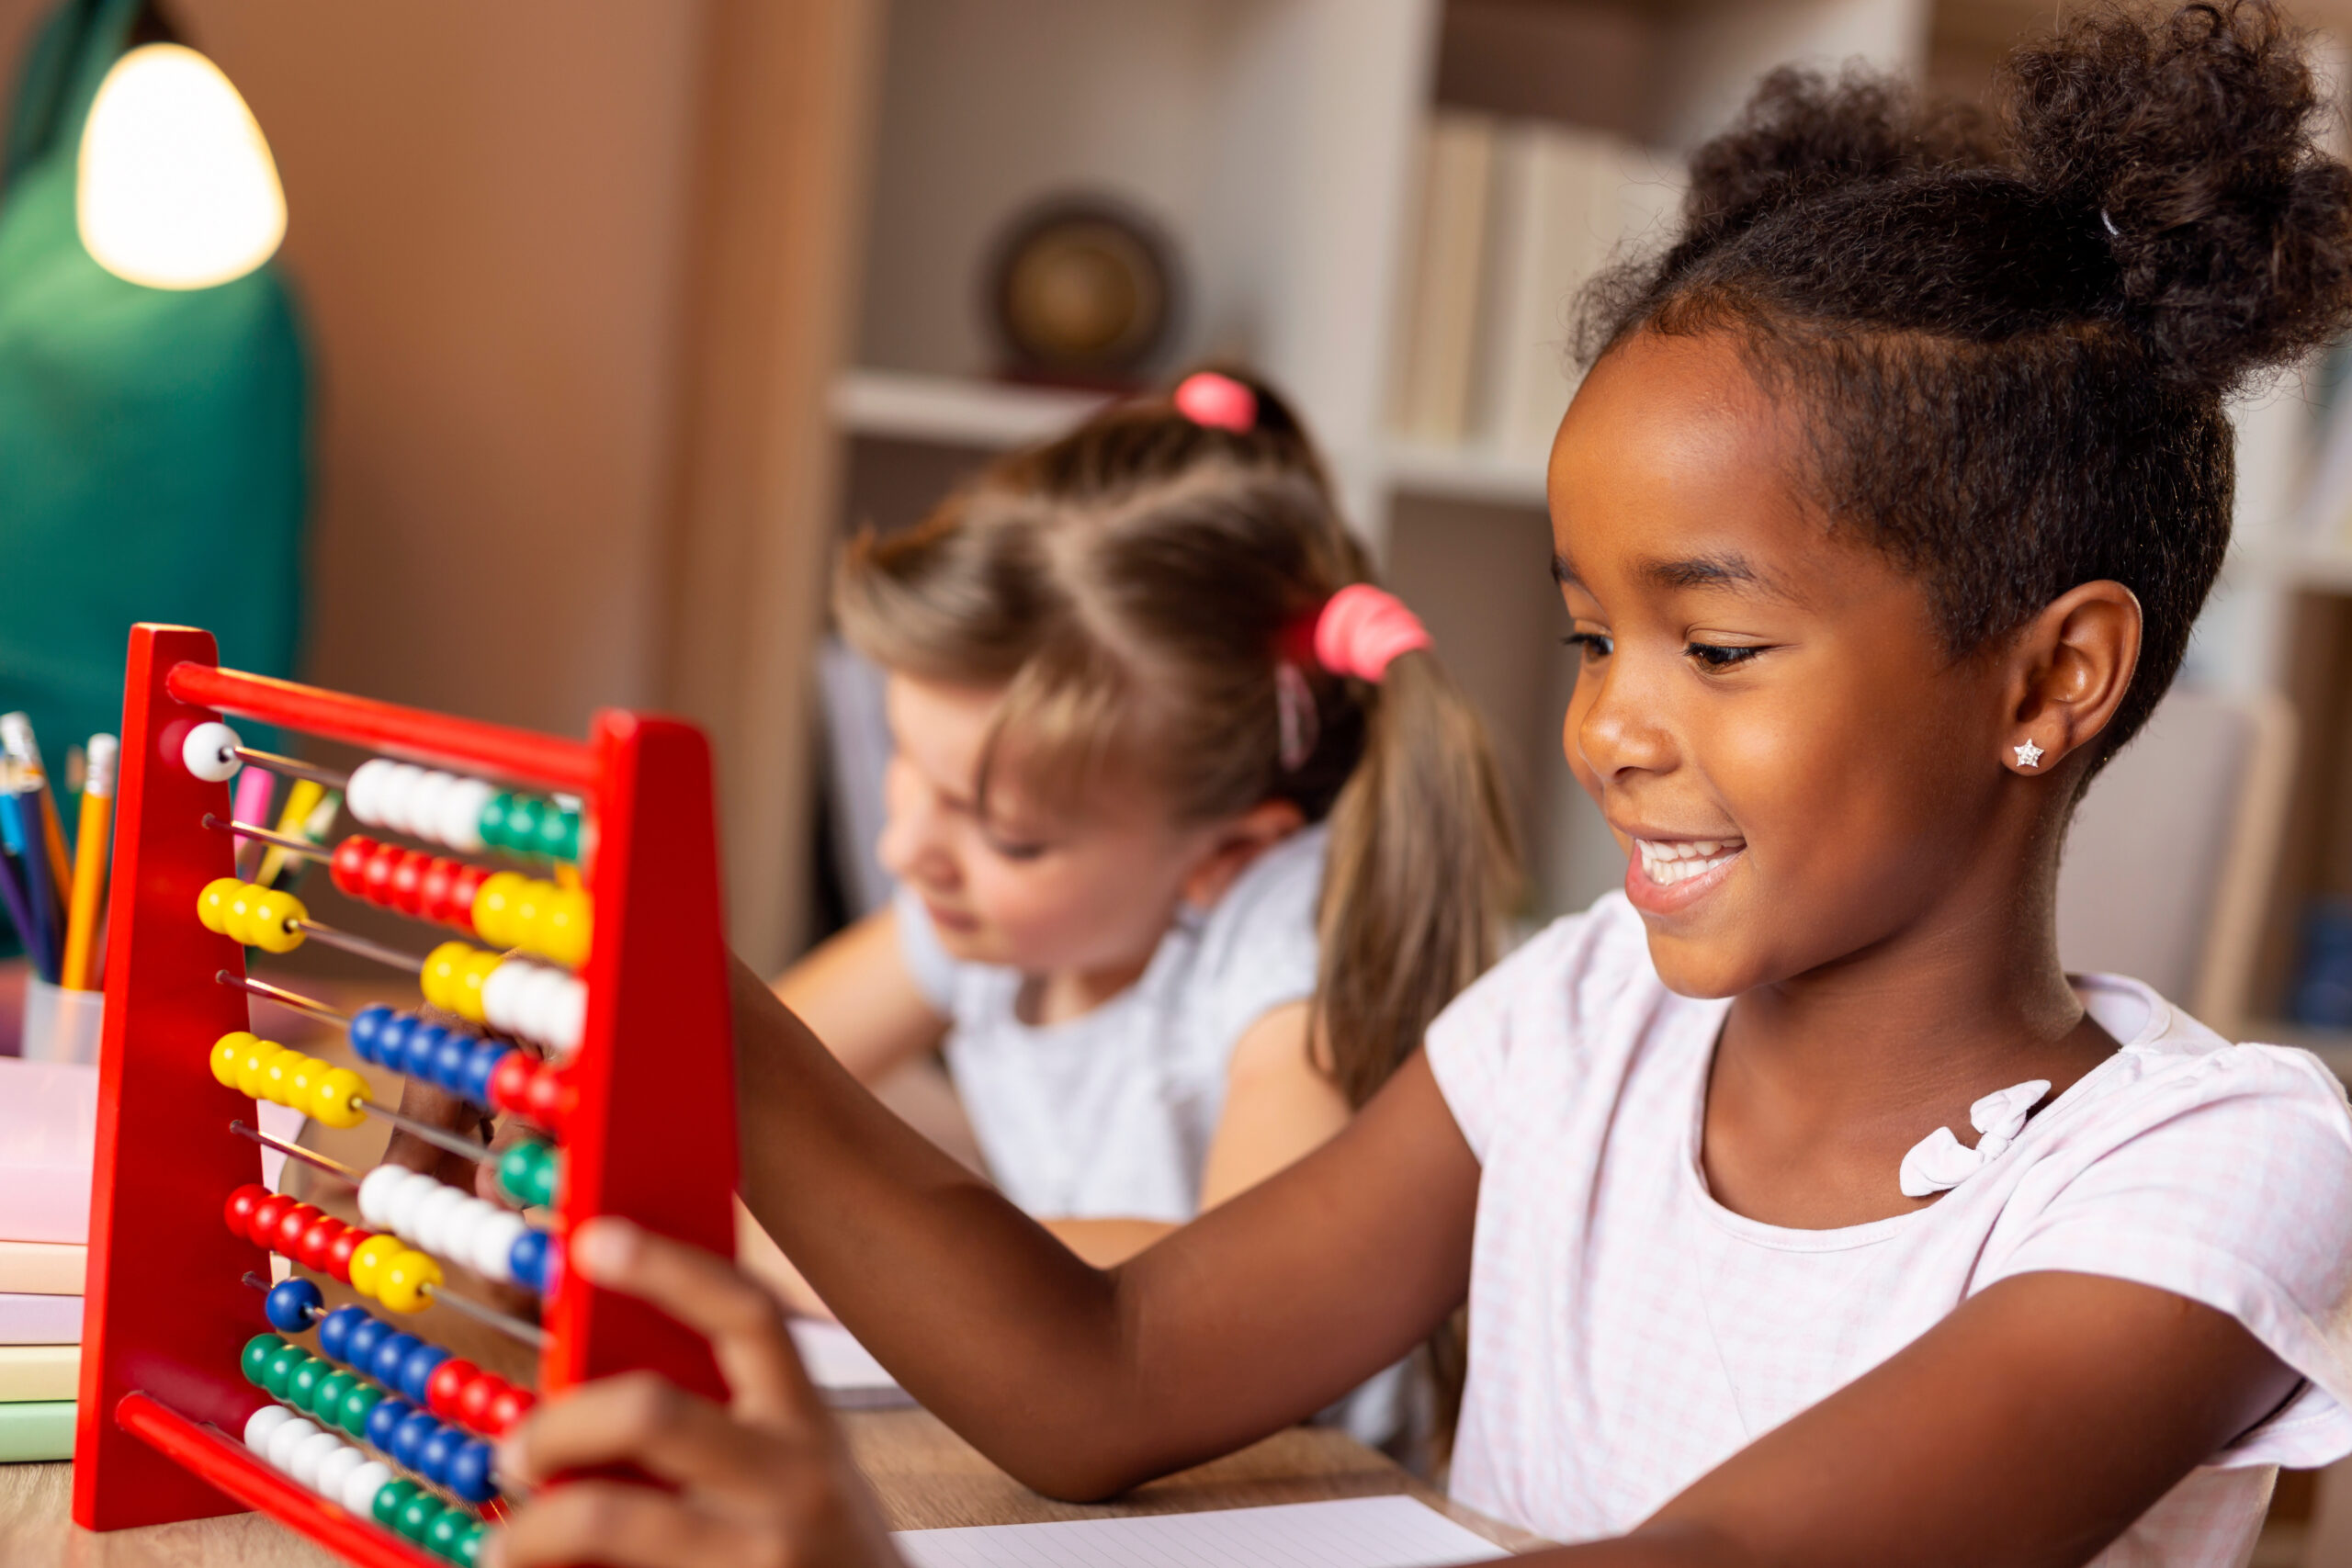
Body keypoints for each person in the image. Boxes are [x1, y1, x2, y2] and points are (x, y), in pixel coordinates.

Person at [489, 5, 2352, 1564]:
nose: (1607, 727)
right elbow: (1108, 1368)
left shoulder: (2203, 1167)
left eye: (1710, 648)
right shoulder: (1574, 1021)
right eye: (1584, 638)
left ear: (2051, 676)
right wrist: (682, 989)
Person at [750, 370, 1518, 1303]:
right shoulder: (984, 903)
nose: (904, 850)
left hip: (1283, 1448)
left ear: (1224, 855)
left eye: (1009, 835)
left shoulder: (1282, 949)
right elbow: (744, 1077)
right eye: (906, 761)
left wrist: (835, 1243)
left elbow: (1246, 1286)